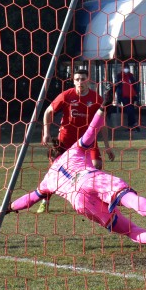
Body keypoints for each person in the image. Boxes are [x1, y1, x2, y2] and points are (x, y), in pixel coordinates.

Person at [0, 85, 146, 256]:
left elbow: (31, 198)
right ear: (60, 151)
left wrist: (7, 207)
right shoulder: (72, 151)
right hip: (91, 178)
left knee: (126, 228)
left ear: (50, 158)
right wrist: (102, 108)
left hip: (79, 201)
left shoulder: (48, 179)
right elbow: (91, 132)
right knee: (128, 198)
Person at [40, 66, 115, 214]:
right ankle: (44, 200)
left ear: (88, 81)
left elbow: (103, 123)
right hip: (66, 138)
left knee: (96, 165)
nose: (80, 82)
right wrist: (46, 132)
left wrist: (107, 147)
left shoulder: (96, 99)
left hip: (87, 138)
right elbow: (48, 111)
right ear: (73, 82)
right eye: (77, 79)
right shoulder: (67, 95)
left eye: (83, 79)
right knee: (54, 169)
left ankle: (93, 198)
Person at [116, 65, 140, 130]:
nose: (126, 69)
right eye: (124, 68)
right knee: (129, 110)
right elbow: (118, 87)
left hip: (132, 95)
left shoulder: (131, 76)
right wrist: (118, 100)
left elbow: (135, 85)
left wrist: (136, 95)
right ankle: (134, 124)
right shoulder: (119, 76)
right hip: (124, 96)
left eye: (127, 68)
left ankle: (131, 125)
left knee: (130, 110)